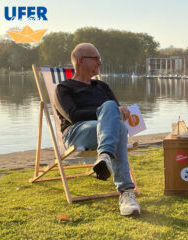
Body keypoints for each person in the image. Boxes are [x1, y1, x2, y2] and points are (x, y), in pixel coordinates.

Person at [54, 43, 140, 216]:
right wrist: (105, 111)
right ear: (80, 61)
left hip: (105, 133)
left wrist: (120, 111)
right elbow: (74, 116)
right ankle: (126, 192)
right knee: (112, 115)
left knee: (117, 124)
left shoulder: (103, 86)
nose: (100, 63)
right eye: (96, 59)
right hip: (77, 132)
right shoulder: (63, 88)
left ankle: (105, 157)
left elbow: (115, 115)